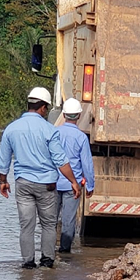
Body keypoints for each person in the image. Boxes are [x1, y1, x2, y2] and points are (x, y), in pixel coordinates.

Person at [0, 87, 81, 269]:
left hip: (23, 184)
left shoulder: (11, 129)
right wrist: (74, 182)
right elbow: (61, 161)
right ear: (43, 108)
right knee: (49, 224)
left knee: (26, 225)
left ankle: (28, 264)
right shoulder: (50, 130)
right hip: (47, 185)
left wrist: (3, 181)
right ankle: (47, 262)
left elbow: (3, 160)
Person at [56, 98, 95, 253]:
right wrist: (90, 185)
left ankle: (47, 252)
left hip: (52, 183)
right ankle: (65, 251)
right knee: (68, 221)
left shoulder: (54, 133)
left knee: (49, 220)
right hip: (73, 187)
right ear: (79, 116)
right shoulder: (81, 138)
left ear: (64, 114)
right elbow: (87, 164)